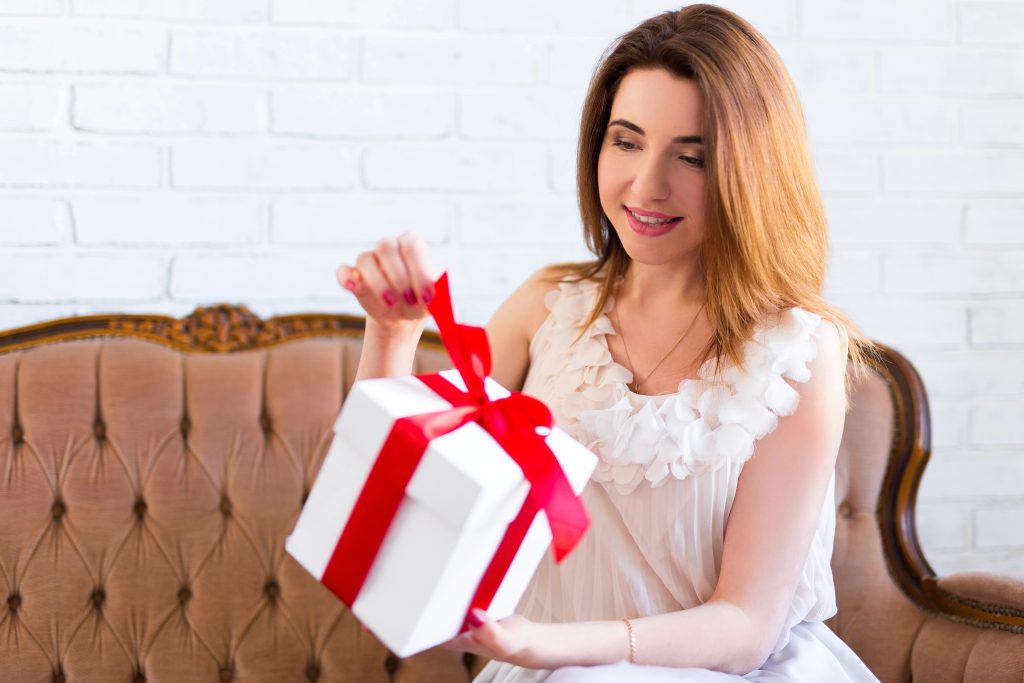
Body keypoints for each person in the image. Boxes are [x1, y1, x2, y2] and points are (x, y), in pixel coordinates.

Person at [336, 4, 880, 681]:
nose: (647, 185)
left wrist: (548, 645)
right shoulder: (547, 310)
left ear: (751, 172)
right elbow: (390, 510)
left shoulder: (797, 352)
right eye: (626, 141)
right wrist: (391, 334)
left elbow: (744, 625)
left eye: (693, 156)